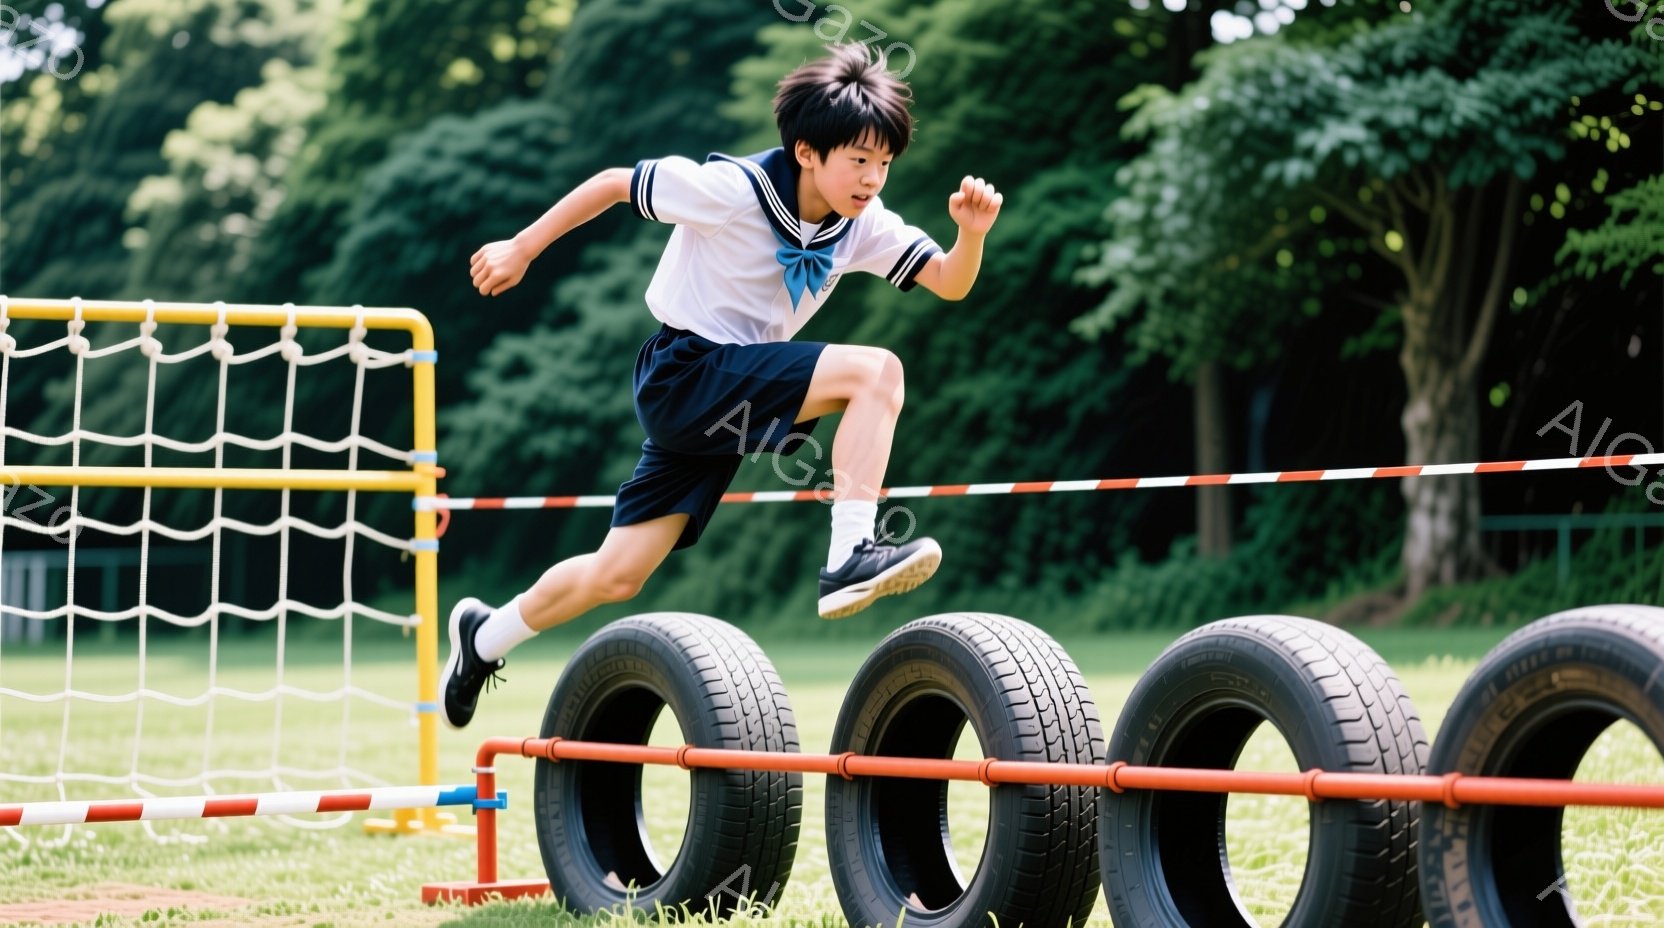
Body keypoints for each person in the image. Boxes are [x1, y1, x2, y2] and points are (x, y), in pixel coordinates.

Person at [443, 43, 1003, 728]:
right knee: (877, 372)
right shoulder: (731, 190)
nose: (872, 179)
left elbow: (947, 281)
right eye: (859, 160)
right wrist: (523, 247)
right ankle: (851, 554)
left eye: (884, 164)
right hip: (684, 370)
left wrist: (971, 235)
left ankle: (483, 636)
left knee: (617, 574)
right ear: (807, 151)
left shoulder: (863, 224)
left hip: (725, 398)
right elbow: (615, 183)